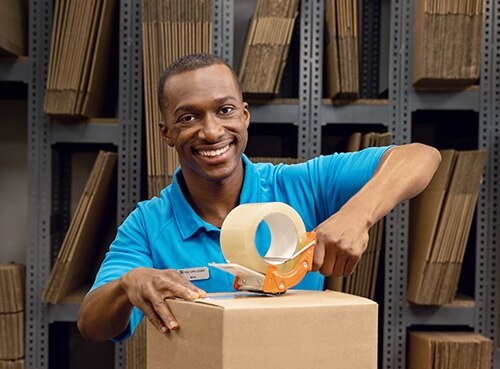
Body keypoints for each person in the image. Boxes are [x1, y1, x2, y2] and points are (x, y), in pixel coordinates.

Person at [77, 53, 440, 343]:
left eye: (225, 110)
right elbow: (92, 325)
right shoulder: (148, 224)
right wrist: (129, 284)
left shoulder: (300, 186)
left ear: (245, 116)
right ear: (167, 133)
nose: (212, 131)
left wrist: (355, 216)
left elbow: (421, 156)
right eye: (189, 117)